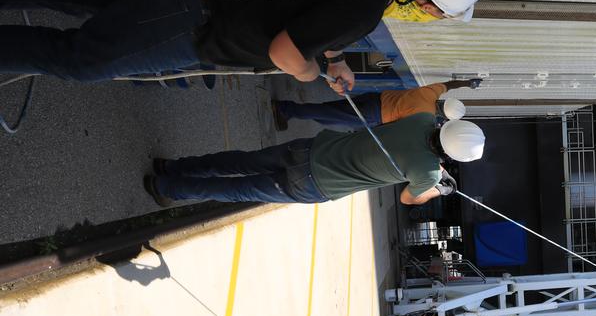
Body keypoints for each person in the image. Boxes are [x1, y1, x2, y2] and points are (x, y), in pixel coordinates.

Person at [0, 0, 483, 87]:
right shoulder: (366, 12)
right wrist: (312, 71)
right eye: (441, 14)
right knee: (80, 60)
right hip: (195, 18)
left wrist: (332, 56)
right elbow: (284, 51)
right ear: (426, 4)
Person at [142, 114, 485, 206]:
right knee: (238, 191)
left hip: (312, 149)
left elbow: (410, 146)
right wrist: (439, 190)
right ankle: (168, 187)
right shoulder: (425, 173)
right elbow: (409, 197)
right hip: (315, 184)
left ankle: (171, 167)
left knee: (240, 161)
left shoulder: (422, 120)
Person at [272, 77, 482, 131]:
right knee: (329, 114)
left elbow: (449, 84)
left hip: (374, 98)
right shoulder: (426, 117)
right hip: (374, 115)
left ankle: (291, 111)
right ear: (444, 116)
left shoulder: (431, 92)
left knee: (331, 112)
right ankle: (285, 109)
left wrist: (467, 83)